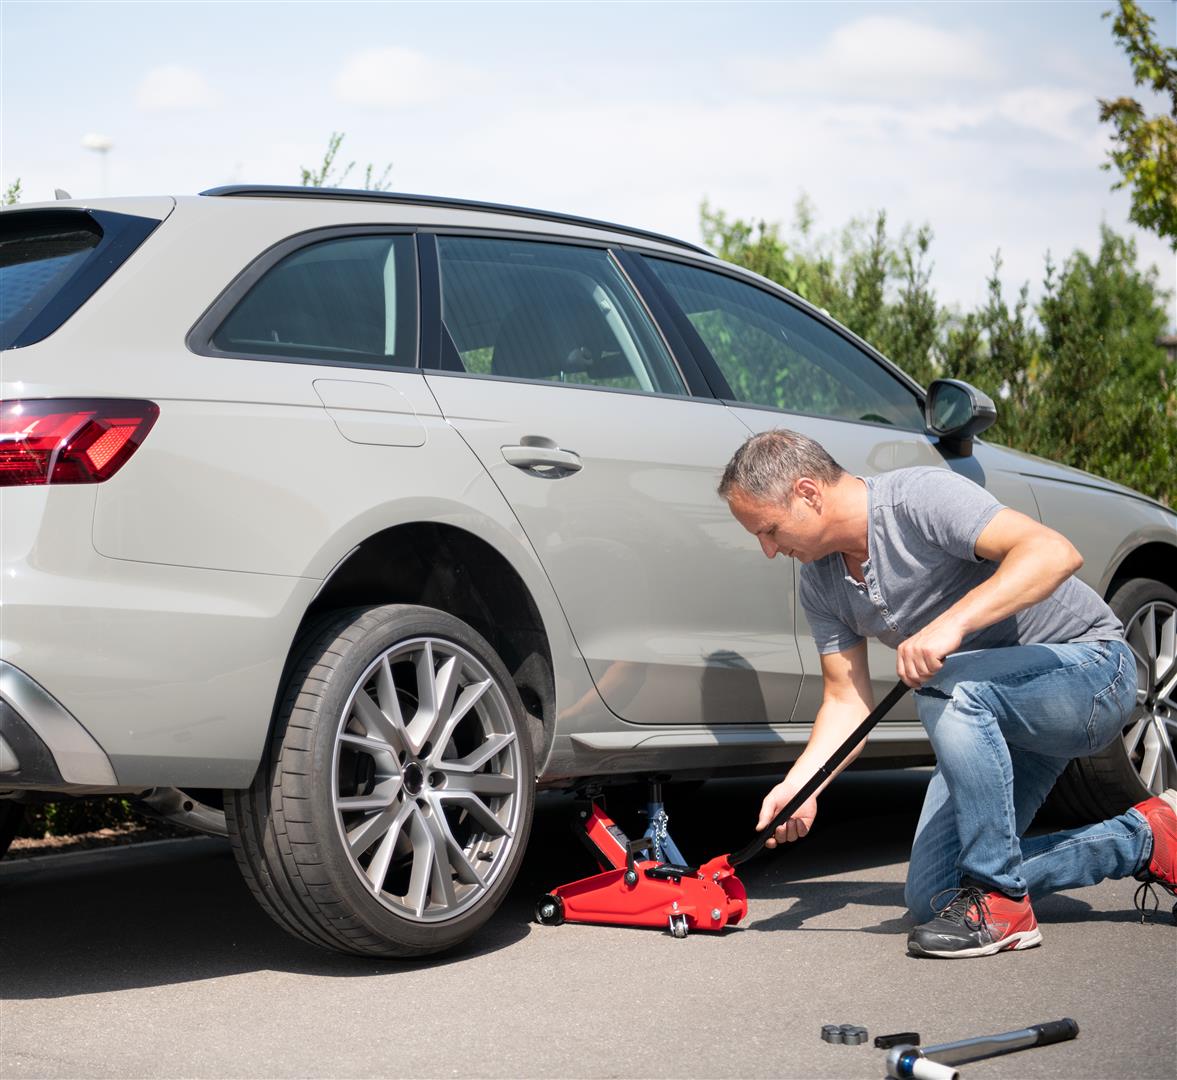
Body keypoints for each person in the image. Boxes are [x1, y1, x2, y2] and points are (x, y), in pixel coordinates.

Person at [719, 428, 1176, 959]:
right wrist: (801, 786)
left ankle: (1002, 902)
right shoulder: (821, 581)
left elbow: (1054, 553)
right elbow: (847, 700)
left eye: (769, 530)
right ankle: (1145, 839)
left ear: (808, 493)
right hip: (993, 710)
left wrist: (951, 626)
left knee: (949, 686)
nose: (769, 550)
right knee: (932, 894)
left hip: (1090, 672)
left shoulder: (918, 499)